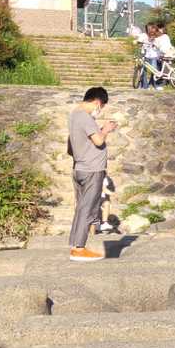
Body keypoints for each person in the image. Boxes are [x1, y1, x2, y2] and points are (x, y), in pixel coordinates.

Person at [67, 87, 116, 262]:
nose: (100, 110)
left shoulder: (73, 115)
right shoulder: (85, 117)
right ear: (97, 102)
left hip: (80, 168)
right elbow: (98, 140)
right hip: (91, 170)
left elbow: (70, 146)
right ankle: (79, 249)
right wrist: (106, 129)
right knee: (88, 209)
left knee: (81, 208)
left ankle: (75, 245)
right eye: (101, 106)